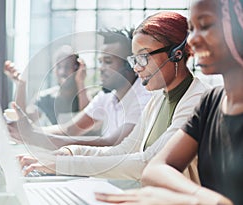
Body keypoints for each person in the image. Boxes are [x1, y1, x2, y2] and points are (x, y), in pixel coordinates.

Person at [19, 11, 210, 181]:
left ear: (175, 54)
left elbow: (149, 162)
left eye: (144, 57)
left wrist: (64, 165)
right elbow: (125, 150)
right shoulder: (159, 99)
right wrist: (70, 153)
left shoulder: (197, 101)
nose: (136, 67)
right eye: (134, 59)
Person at [96, 0, 243, 204]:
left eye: (206, 26)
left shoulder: (197, 97)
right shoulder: (211, 102)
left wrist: (191, 200)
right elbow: (155, 168)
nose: (192, 41)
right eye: (191, 30)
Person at [8, 28, 151, 148]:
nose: (101, 68)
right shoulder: (106, 96)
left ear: (130, 65)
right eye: (100, 62)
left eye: (108, 62)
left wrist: (33, 136)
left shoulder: (143, 97)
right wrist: (28, 131)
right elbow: (69, 129)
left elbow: (113, 143)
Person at [4, 45, 90, 125]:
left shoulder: (88, 96)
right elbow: (25, 120)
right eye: (59, 67)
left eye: (67, 66)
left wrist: (80, 82)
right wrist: (21, 85)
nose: (62, 72)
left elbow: (89, 121)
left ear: (77, 68)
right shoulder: (46, 98)